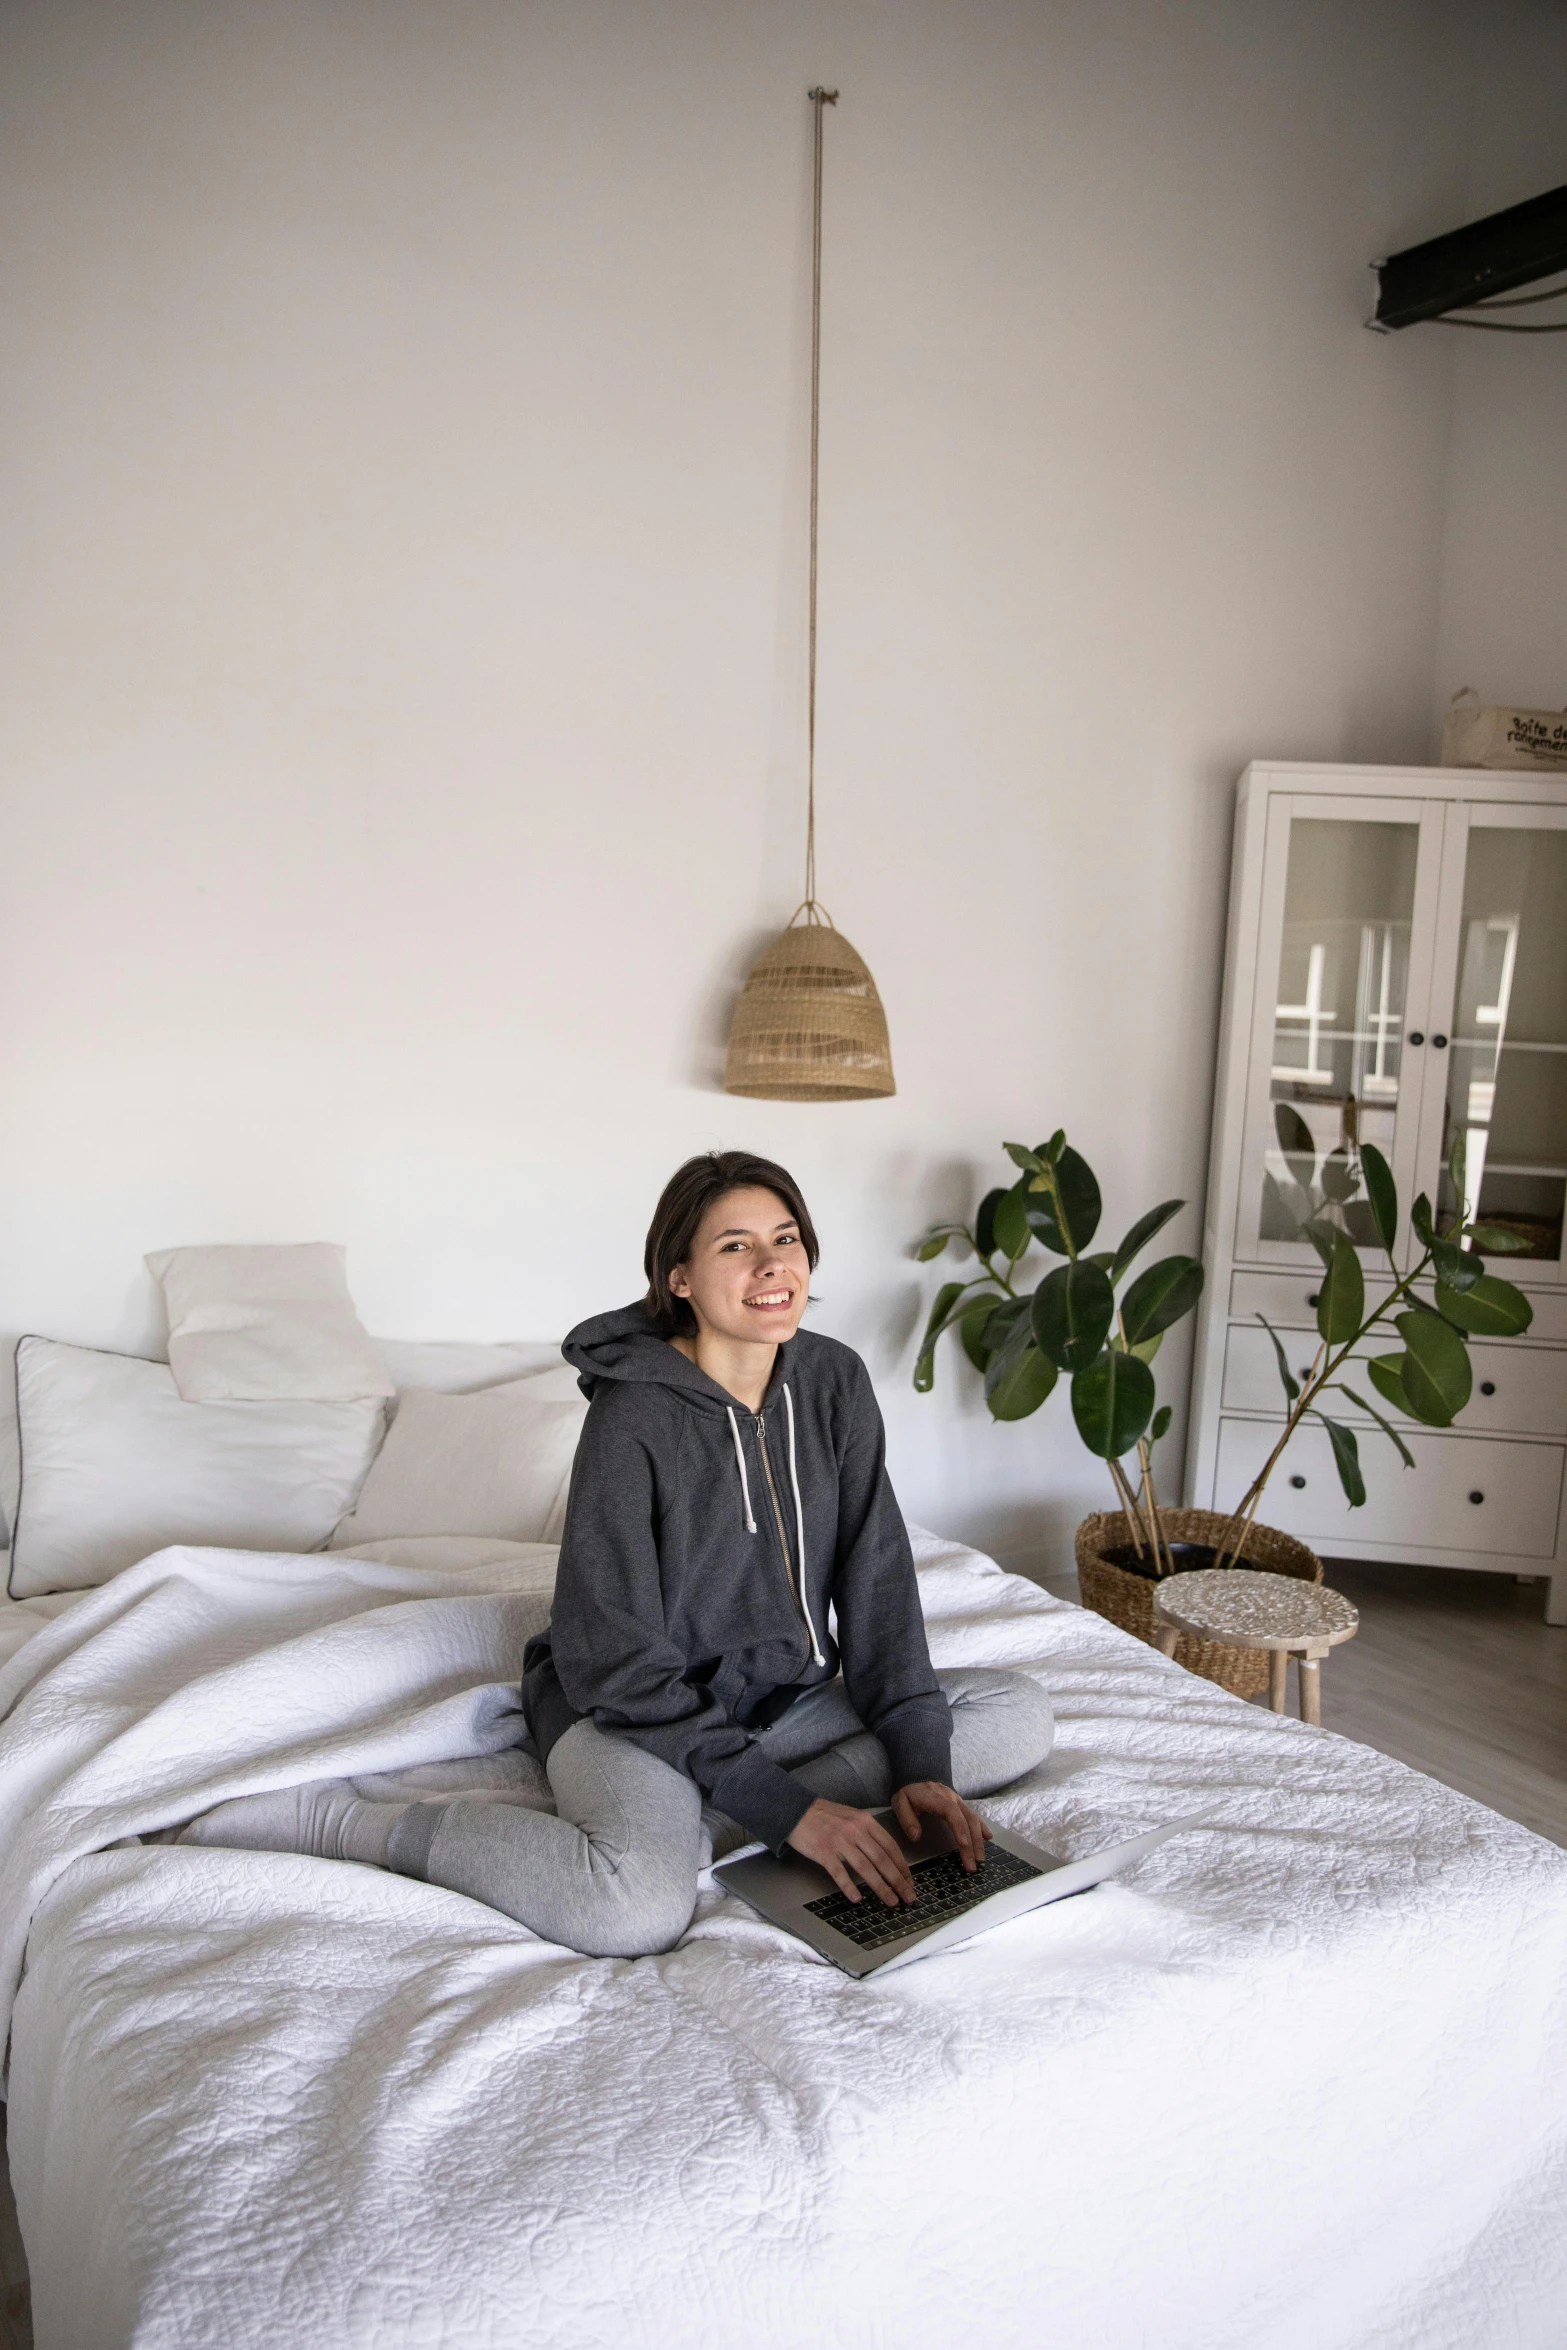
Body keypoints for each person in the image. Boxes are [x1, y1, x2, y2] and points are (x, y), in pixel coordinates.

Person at [178, 1152, 1054, 1957]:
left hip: (786, 1704)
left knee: (1013, 1716)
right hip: (637, 1715)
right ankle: (351, 1823)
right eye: (736, 1246)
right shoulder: (634, 1415)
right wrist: (789, 1809)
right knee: (632, 1907)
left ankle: (719, 1823)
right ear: (679, 1278)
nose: (771, 1266)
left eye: (785, 1239)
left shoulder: (833, 1381)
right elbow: (616, 1660)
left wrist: (924, 1774)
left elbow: (877, 1579)